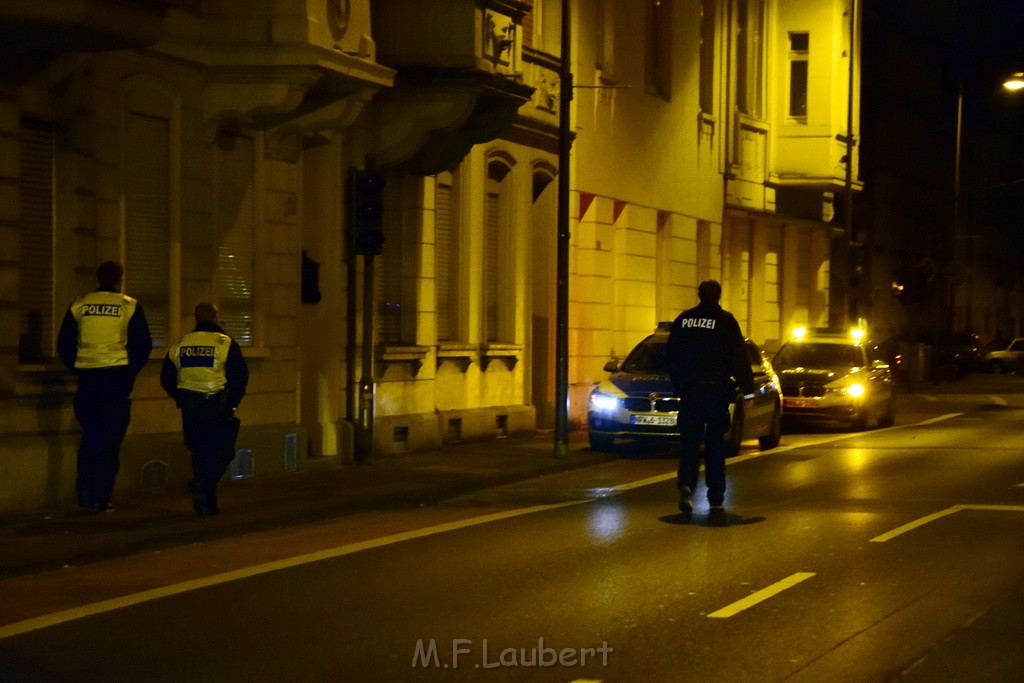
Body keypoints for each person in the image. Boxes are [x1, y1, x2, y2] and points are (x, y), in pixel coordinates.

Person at [57, 261, 153, 513]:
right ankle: (101, 497)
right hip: (115, 384)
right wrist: (127, 374)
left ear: (98, 279)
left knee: (90, 438)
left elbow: (64, 345)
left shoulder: (79, 305)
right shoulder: (128, 305)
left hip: (88, 384)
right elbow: (142, 346)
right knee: (110, 442)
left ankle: (85, 494)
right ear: (119, 279)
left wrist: (79, 368)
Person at [665, 280, 755, 519]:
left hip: (691, 393)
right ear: (719, 296)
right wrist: (748, 391)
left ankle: (686, 485)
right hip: (716, 393)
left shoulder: (683, 321)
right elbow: (739, 357)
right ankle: (715, 498)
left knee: (689, 444)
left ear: (698, 295)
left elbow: (670, 356)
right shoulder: (726, 321)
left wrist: (679, 386)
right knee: (715, 445)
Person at [161, 302, 249, 515]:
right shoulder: (224, 343)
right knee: (222, 453)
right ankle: (202, 488)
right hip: (216, 407)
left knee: (199, 455)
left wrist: (180, 398)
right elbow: (240, 376)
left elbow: (166, 378)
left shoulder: (180, 343)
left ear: (196, 318)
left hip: (190, 409)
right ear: (215, 318)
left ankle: (206, 504)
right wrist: (232, 403)